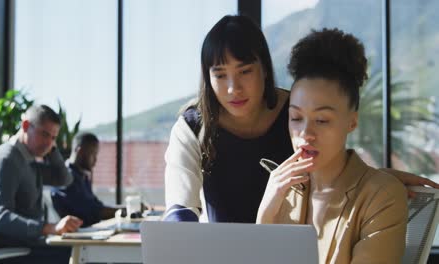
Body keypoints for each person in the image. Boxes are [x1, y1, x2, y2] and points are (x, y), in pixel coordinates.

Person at [163, 14, 438, 223]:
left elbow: (334, 171)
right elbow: (180, 207)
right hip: (222, 255)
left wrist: (378, 180)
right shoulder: (192, 126)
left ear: (265, 69)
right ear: (207, 77)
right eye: (220, 75)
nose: (233, 88)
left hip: (299, 250)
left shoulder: (295, 112)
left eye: (245, 71)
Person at [256, 28, 408, 263]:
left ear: (352, 122)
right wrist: (265, 215)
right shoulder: (285, 193)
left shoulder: (381, 197)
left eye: (322, 120)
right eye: (296, 118)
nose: (305, 133)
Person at [0, 105, 83, 264]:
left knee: (83, 250)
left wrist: (52, 150)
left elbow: (64, 179)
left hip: (31, 244)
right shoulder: (6, 161)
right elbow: (1, 218)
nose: (49, 142)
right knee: (82, 254)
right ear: (26, 126)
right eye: (44, 134)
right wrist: (49, 228)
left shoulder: (29, 160)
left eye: (53, 138)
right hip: (13, 250)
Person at [51, 132, 123, 227]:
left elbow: (97, 206)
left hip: (87, 233)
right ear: (80, 151)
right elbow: (94, 211)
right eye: (93, 154)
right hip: (75, 237)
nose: (95, 160)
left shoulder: (81, 177)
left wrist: (129, 209)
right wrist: (128, 211)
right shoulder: (66, 178)